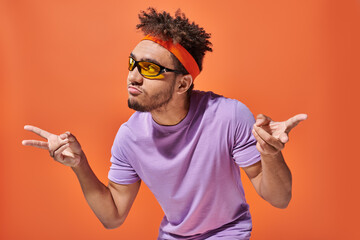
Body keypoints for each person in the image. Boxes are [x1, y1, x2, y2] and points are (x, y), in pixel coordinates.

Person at [22, 8, 307, 240]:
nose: (133, 77)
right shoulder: (129, 137)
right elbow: (113, 216)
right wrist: (80, 165)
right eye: (132, 63)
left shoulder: (229, 116)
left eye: (149, 68)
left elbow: (279, 198)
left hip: (228, 234)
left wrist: (272, 154)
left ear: (183, 83)